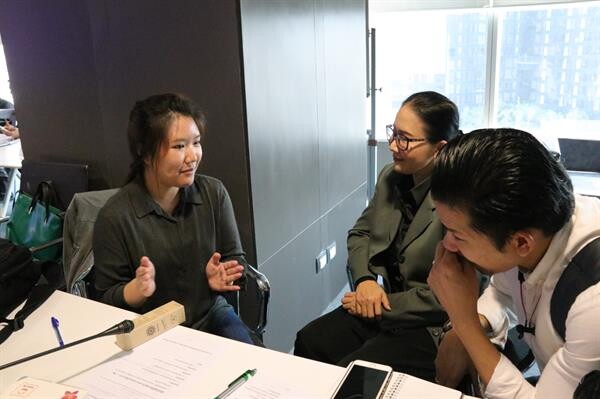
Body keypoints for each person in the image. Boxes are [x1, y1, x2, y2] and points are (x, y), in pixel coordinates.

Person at [294, 91, 461, 381]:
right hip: (383, 305)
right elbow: (360, 233)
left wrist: (376, 303)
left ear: (439, 148)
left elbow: (447, 299)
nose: (393, 145)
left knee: (353, 374)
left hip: (430, 324)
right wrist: (365, 281)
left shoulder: (459, 200)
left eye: (405, 139)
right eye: (393, 133)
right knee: (311, 341)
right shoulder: (390, 177)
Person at [428, 128, 600, 398]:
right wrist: (479, 320)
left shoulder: (592, 302)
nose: (448, 245)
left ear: (521, 243)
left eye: (457, 235)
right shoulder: (535, 221)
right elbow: (502, 291)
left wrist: (465, 324)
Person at [93, 93, 256, 344]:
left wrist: (226, 274)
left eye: (196, 143)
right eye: (179, 146)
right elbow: (105, 297)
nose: (192, 156)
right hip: (152, 330)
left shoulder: (214, 193)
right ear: (145, 154)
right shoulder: (115, 217)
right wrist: (136, 290)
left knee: (252, 366)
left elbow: (236, 259)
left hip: (209, 315)